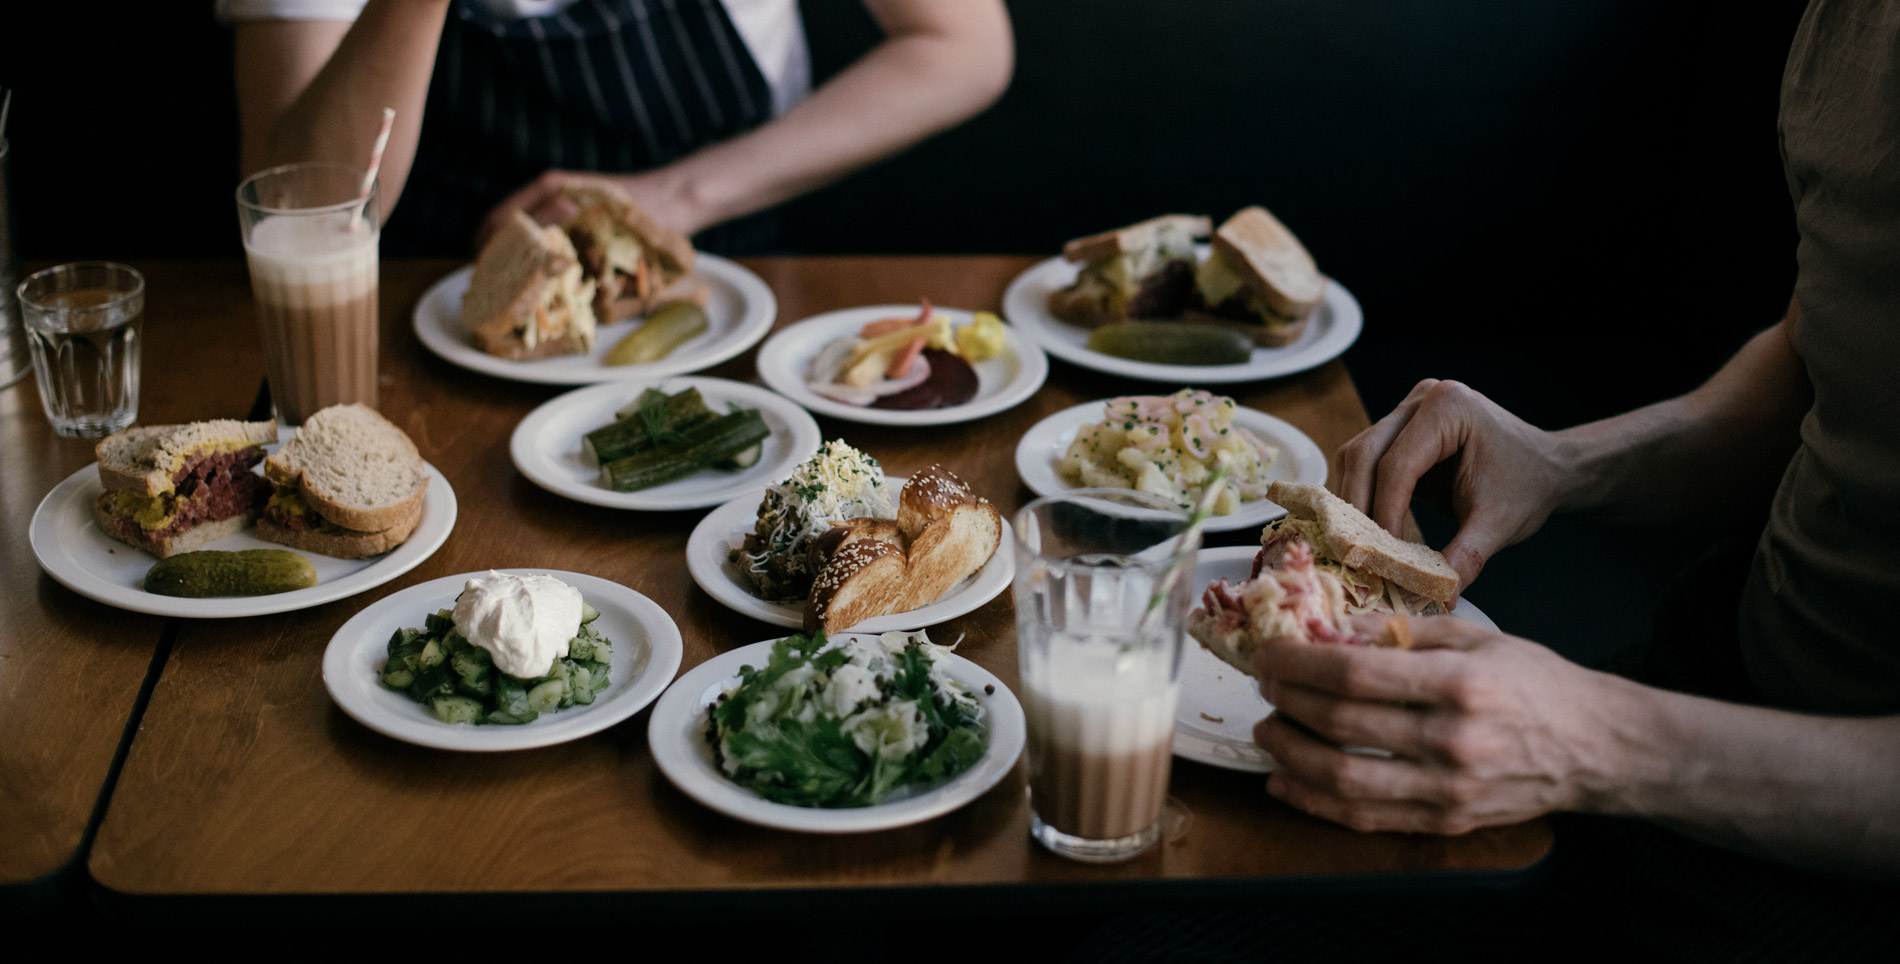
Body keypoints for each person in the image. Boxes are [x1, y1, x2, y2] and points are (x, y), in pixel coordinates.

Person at [221, 0, 1012, 254]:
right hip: (431, 296)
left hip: (726, 271)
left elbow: (968, 48)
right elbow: (300, 223)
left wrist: (677, 196)